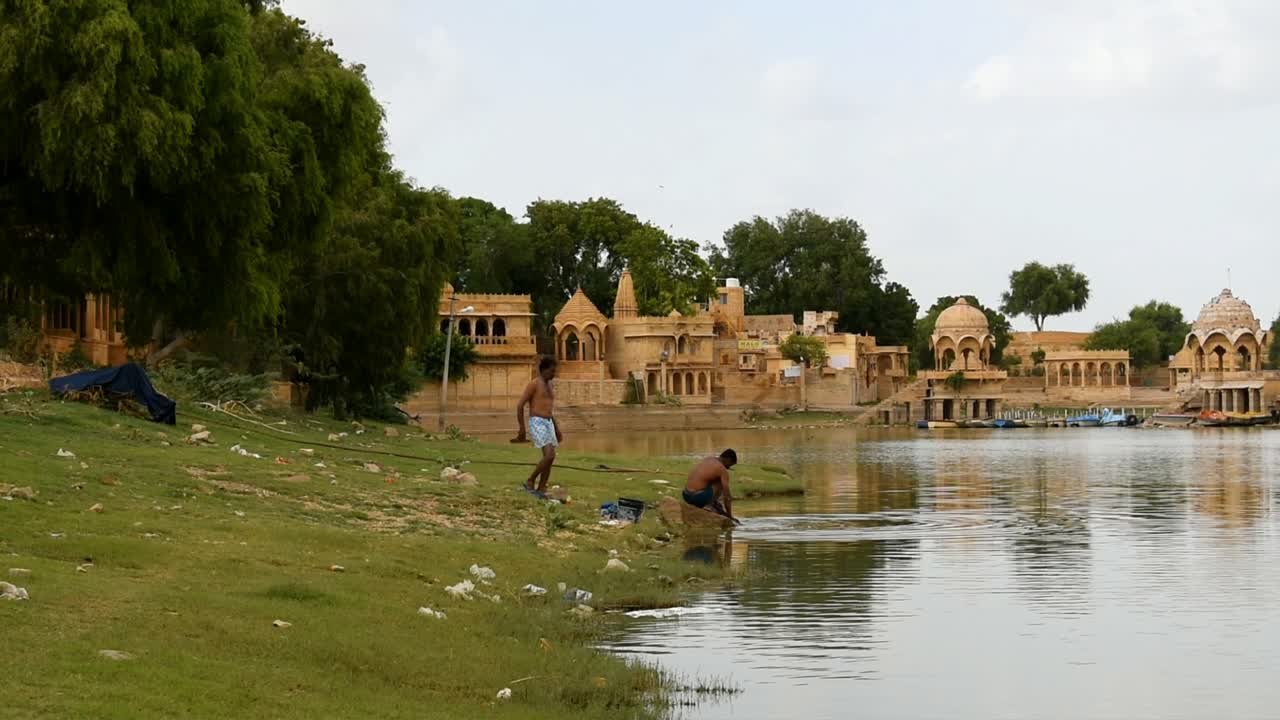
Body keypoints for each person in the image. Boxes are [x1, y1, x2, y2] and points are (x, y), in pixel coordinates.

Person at [515, 357, 561, 497]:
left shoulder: (550, 385)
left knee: (550, 458)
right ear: (544, 369)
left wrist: (557, 428)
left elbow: (549, 409)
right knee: (549, 455)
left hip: (548, 422)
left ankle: (541, 488)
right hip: (537, 421)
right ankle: (531, 480)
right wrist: (522, 428)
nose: (554, 374)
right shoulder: (534, 384)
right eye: (552, 371)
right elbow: (520, 405)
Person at [682, 449, 739, 523]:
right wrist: (729, 515)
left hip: (686, 495)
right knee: (720, 482)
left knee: (713, 480)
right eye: (730, 465)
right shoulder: (722, 470)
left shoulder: (708, 459)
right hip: (697, 498)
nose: (727, 468)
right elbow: (727, 497)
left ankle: (712, 503)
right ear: (728, 459)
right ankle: (709, 505)